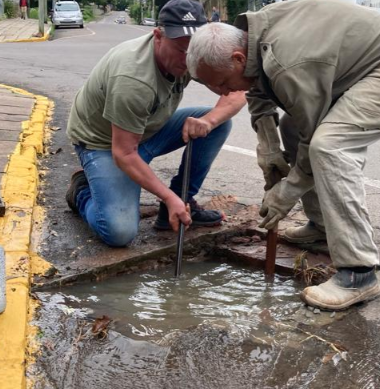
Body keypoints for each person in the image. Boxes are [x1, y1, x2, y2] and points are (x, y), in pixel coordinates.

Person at [186, 0, 380, 310]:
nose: (221, 93)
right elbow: (257, 87)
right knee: (292, 126)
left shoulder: (288, 60)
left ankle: (359, 273)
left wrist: (285, 193)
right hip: (352, 65)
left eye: (222, 83)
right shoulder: (253, 38)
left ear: (237, 57)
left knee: (330, 145)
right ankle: (322, 230)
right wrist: (269, 146)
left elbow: (312, 132)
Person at [65, 0, 246, 247]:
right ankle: (82, 191)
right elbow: (124, 153)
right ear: (158, 36)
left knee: (218, 124)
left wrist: (209, 121)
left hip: (148, 129)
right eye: (181, 49)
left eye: (193, 51)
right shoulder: (133, 78)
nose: (188, 59)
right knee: (118, 231)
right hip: (104, 143)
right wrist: (167, 195)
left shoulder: (194, 56)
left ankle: (182, 202)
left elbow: (236, 90)